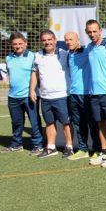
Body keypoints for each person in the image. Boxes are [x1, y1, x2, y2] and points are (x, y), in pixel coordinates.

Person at [30, 30, 73, 158]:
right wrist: (32, 89)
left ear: (55, 40)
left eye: (49, 39)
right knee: (49, 122)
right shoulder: (37, 55)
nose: (47, 42)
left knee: (66, 123)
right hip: (45, 96)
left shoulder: (65, 54)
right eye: (44, 40)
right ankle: (50, 147)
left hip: (62, 95)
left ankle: (69, 146)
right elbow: (34, 74)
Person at [1, 32, 43, 153]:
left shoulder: (33, 56)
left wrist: (33, 90)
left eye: (20, 43)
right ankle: (16, 144)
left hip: (30, 95)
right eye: (15, 44)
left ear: (25, 43)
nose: (18, 46)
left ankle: (38, 144)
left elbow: (36, 74)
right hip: (13, 96)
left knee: (34, 121)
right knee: (16, 122)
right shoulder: (8, 58)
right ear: (11, 45)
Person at [84, 19, 106, 166]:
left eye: (94, 31)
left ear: (100, 30)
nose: (92, 34)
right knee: (100, 123)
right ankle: (104, 151)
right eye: (89, 32)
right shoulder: (88, 48)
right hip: (93, 93)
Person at [64, 31, 96, 160]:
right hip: (73, 94)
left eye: (71, 39)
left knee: (92, 123)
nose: (69, 42)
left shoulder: (87, 51)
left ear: (78, 40)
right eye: (66, 40)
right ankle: (83, 149)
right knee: (78, 123)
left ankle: (96, 149)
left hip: (86, 94)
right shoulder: (67, 54)